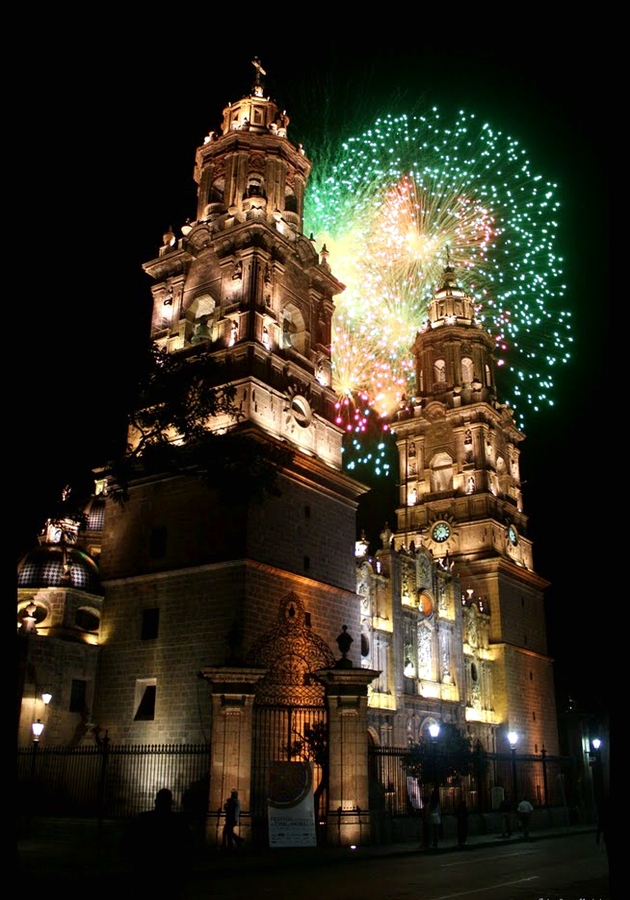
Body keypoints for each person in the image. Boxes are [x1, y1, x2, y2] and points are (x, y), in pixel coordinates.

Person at [124, 788, 194, 890]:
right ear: (171, 803)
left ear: (156, 801)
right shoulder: (179, 821)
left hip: (148, 868)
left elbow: (130, 840)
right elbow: (188, 845)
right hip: (171, 870)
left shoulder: (144, 818)